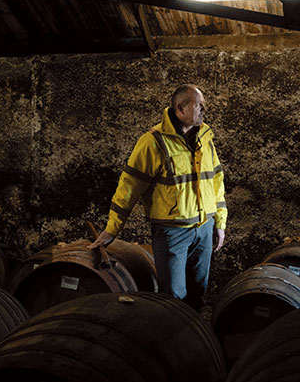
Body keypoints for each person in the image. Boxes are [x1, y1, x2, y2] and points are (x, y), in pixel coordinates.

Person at [89, 84, 227, 310]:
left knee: (198, 291)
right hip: (173, 233)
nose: (205, 109)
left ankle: (194, 339)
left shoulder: (204, 137)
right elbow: (129, 187)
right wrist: (113, 228)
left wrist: (219, 222)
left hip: (204, 228)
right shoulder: (153, 142)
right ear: (181, 108)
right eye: (199, 105)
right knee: (173, 297)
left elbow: (216, 180)